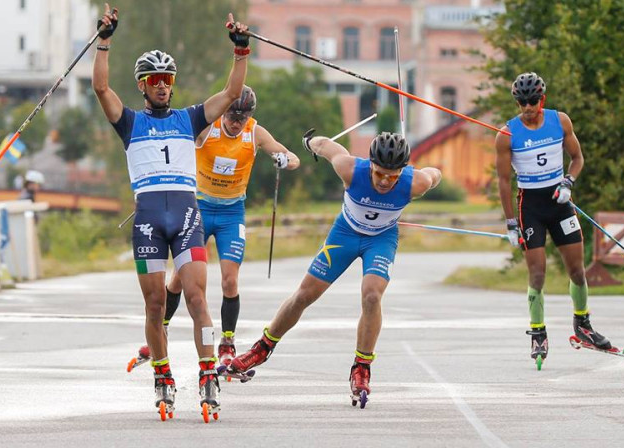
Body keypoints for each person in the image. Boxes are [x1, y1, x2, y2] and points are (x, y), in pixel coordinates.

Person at [92, 3, 251, 420]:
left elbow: (233, 94)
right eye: (155, 81)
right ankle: (163, 376)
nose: (163, 86)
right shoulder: (128, 122)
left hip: (185, 217)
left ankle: (207, 372)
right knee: (155, 306)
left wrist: (241, 51)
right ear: (143, 86)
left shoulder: (191, 118)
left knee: (199, 298)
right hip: (147, 220)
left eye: (168, 80)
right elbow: (101, 91)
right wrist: (104, 42)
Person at [224, 131, 442, 408]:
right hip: (345, 235)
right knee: (304, 295)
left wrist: (429, 174)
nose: (386, 181)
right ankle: (262, 348)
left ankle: (361, 367)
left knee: (372, 295)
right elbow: (325, 145)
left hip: (381, 239)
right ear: (370, 165)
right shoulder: (350, 168)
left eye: (393, 176)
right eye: (379, 174)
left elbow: (434, 174)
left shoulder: (416, 182)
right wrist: (308, 142)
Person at [128, 86, 301, 370]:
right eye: (233, 116)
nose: (236, 123)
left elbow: (290, 156)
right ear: (225, 112)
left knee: (229, 280)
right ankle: (163, 328)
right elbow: (177, 142)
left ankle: (227, 342)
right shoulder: (209, 128)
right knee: (179, 280)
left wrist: (285, 160)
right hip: (199, 207)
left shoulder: (255, 132)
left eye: (242, 118)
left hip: (232, 213)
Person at [495, 72, 614, 368]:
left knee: (577, 270)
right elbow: (502, 181)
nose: (527, 106)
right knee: (537, 274)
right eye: (521, 102)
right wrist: (511, 222)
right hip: (530, 207)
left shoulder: (560, 121)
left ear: (541, 99)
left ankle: (583, 325)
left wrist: (568, 182)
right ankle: (537, 333)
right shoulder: (506, 135)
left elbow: (578, 158)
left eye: (532, 101)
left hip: (559, 203)